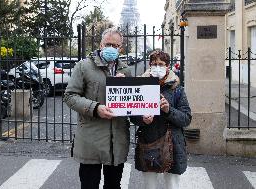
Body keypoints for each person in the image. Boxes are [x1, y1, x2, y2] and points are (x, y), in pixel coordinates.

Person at [64, 27, 131, 189]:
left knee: (114, 185)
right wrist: (96, 108)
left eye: (115, 46)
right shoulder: (84, 66)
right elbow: (70, 96)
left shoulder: (126, 70)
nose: (111, 48)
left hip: (116, 141)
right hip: (90, 140)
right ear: (101, 45)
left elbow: (130, 103)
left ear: (120, 48)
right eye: (108, 44)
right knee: (89, 185)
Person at [131, 50, 192, 189]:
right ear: (149, 65)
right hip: (148, 142)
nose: (157, 67)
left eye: (161, 64)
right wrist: (142, 119)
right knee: (149, 185)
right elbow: (132, 115)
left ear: (168, 66)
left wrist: (168, 111)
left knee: (172, 185)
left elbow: (186, 118)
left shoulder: (177, 89)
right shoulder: (140, 86)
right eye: (154, 64)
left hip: (173, 144)